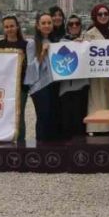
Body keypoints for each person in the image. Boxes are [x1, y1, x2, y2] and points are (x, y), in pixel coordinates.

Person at [27, 13, 63, 142]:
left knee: (54, 116)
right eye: (43, 23)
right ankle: (41, 146)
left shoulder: (56, 42)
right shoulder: (32, 43)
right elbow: (31, 67)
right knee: (43, 117)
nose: (47, 25)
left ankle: (53, 148)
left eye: (49, 23)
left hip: (54, 84)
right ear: (38, 26)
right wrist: (42, 52)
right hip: (40, 86)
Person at [84, 4, 109, 135]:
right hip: (97, 79)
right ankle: (98, 130)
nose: (103, 16)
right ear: (94, 16)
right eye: (100, 14)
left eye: (106, 14)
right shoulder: (89, 35)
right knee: (98, 104)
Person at [0, 15, 28, 143]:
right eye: (6, 27)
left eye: (12, 26)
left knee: (19, 115)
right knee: (3, 114)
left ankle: (21, 142)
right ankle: (3, 140)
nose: (9, 29)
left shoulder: (25, 45)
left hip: (21, 87)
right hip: (3, 87)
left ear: (17, 27)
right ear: (4, 29)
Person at [57, 13, 89, 139]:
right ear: (67, 27)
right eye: (71, 24)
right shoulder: (61, 42)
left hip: (82, 86)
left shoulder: (87, 41)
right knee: (67, 121)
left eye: (77, 23)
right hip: (66, 88)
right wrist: (73, 45)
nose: (74, 26)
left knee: (81, 121)